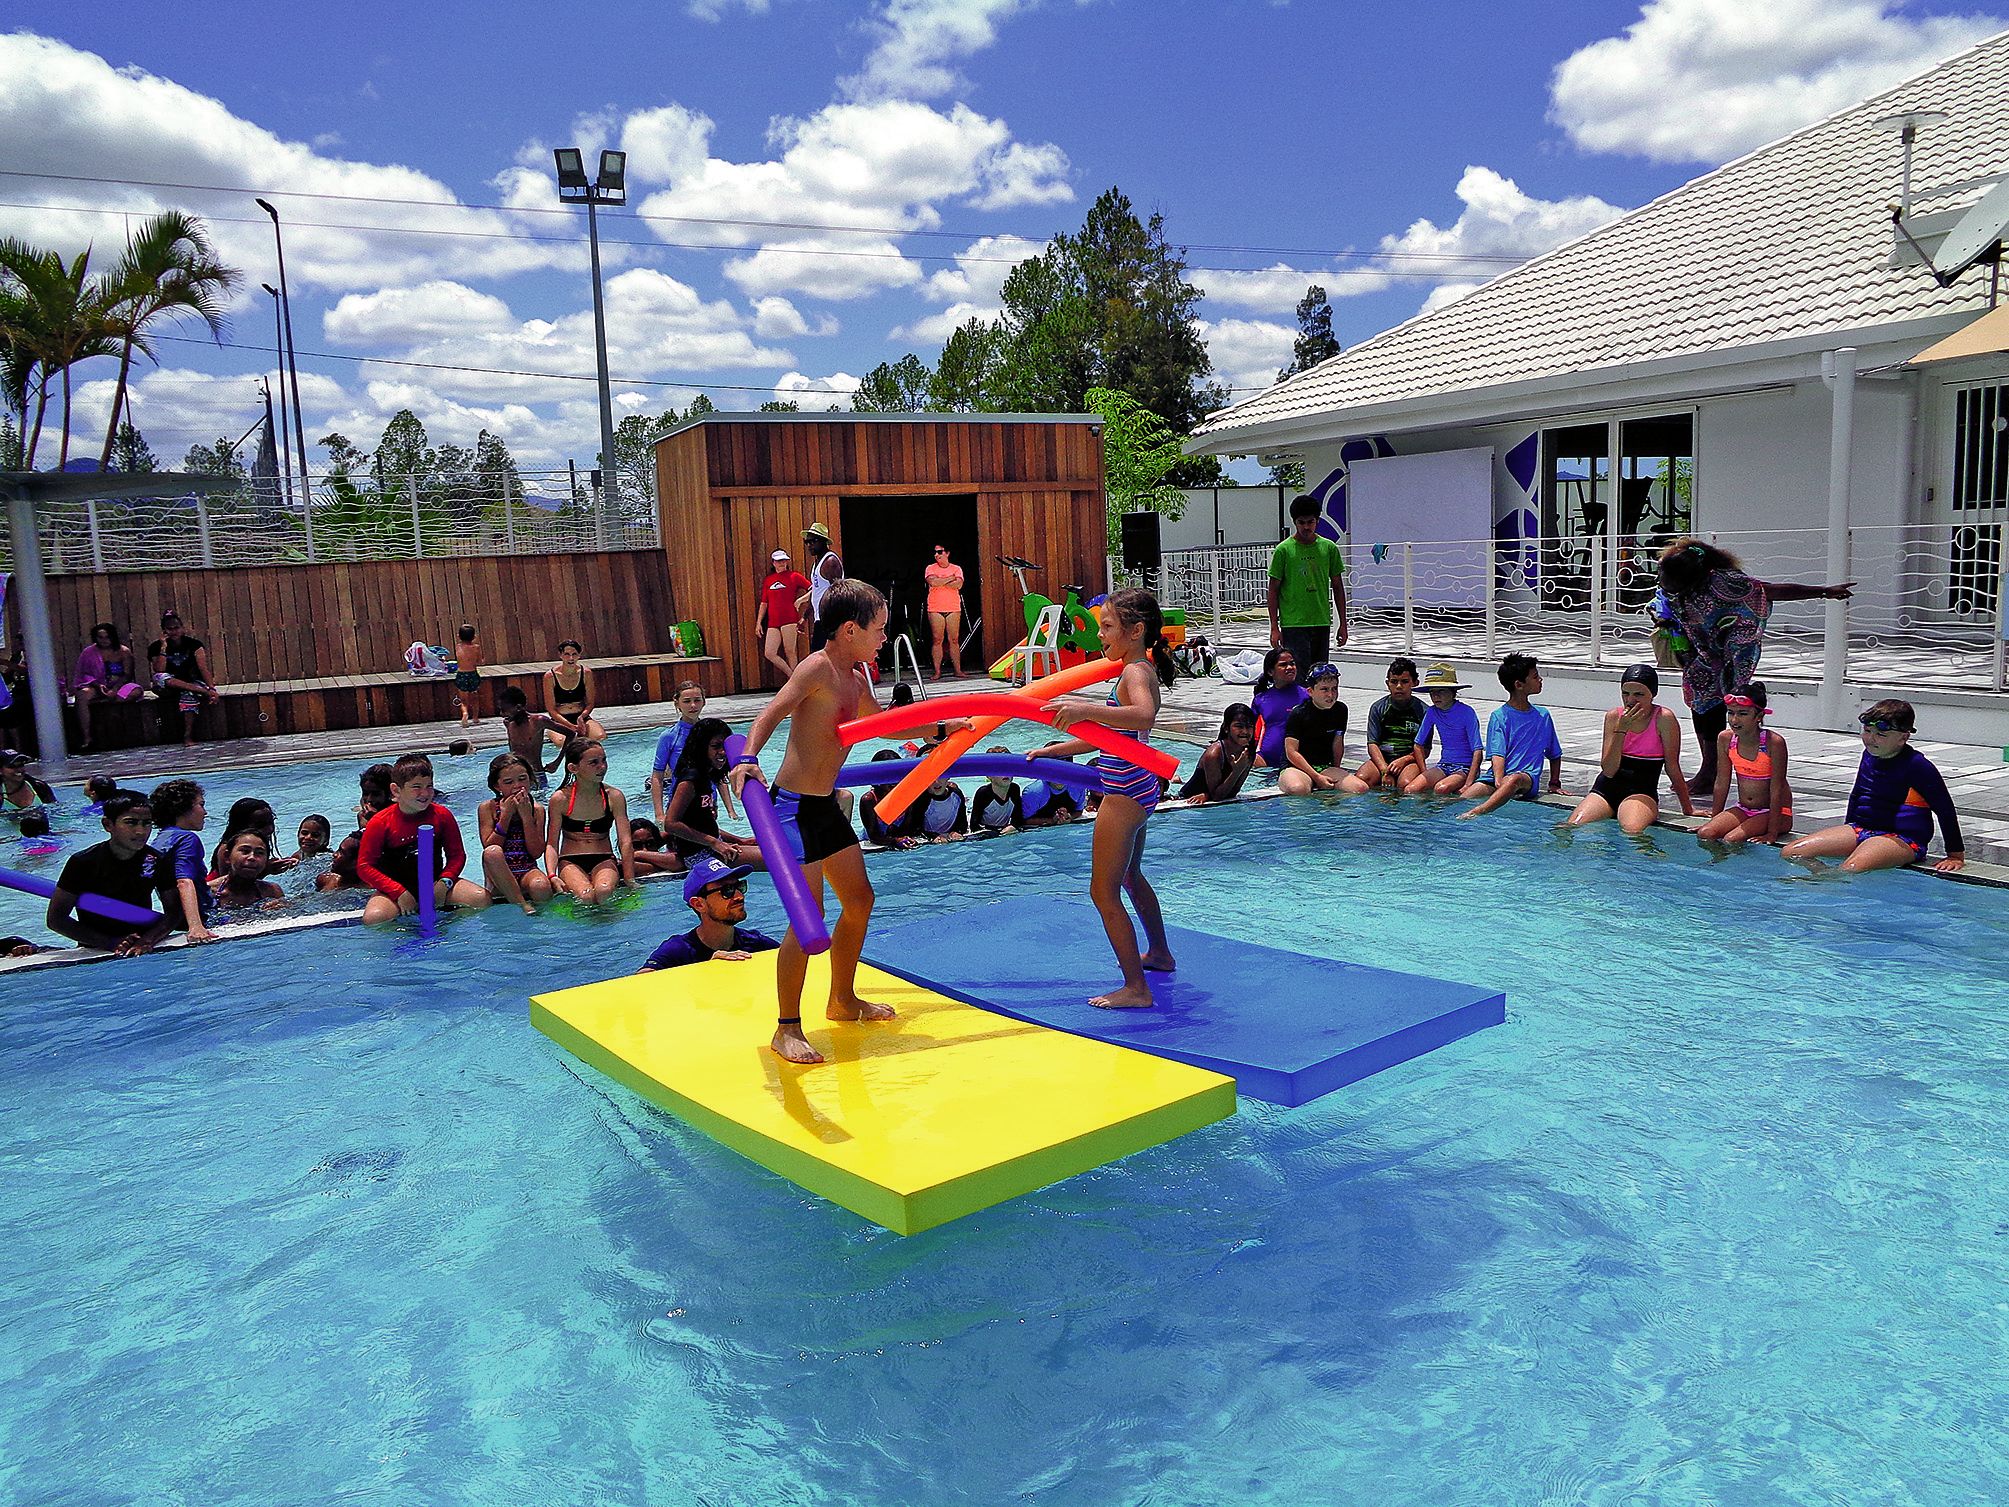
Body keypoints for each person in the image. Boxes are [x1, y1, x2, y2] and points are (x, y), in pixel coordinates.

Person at [730, 577, 896, 1064]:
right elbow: (773, 711)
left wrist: (953, 728)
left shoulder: (856, 678)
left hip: (823, 806)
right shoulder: (816, 669)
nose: (884, 637)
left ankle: (842, 1000)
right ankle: (786, 1028)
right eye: (879, 629)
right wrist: (747, 759)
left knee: (860, 900)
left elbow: (885, 724)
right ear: (850, 630)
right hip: (792, 808)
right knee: (809, 920)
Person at [1030, 588, 1178, 1009]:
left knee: (1102, 891)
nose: (1100, 636)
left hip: (1123, 795)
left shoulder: (1135, 672)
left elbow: (1143, 716)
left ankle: (1136, 988)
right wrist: (1052, 751)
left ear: (1136, 631)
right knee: (1130, 877)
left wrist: (1086, 709)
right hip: (1141, 788)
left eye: (1108, 627)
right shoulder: (1134, 668)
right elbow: (1112, 739)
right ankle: (1160, 954)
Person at [1656, 538, 1852, 797]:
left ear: (1692, 578)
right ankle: (1709, 768)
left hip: (1731, 650)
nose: (1662, 582)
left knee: (1726, 705)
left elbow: (1772, 591)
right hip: (1701, 654)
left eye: (1667, 579)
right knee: (1700, 707)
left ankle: (1721, 770)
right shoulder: (1675, 585)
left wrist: (1824, 591)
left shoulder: (1724, 582)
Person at [1782, 700, 1965, 873]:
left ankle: (1828, 886)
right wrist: (1848, 833)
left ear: (1903, 738)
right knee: (1791, 853)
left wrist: (1955, 855)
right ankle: (1823, 878)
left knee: (1851, 867)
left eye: (1881, 735)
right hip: (1862, 830)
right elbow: (1857, 794)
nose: (1871, 739)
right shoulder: (1868, 756)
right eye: (1867, 731)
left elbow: (1945, 809)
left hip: (1902, 839)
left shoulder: (1917, 765)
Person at [355, 753, 490, 923]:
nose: (425, 793)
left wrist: (444, 882)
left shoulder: (442, 815)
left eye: (429, 786)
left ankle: (448, 925)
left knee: (481, 899)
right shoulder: (380, 822)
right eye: (416, 787)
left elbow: (457, 856)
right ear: (396, 790)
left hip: (435, 883)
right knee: (375, 918)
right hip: (396, 889)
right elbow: (365, 867)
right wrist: (398, 892)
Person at [1567, 663, 1696, 835]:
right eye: (1625, 694)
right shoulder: (1614, 717)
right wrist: (1621, 730)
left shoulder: (1664, 719)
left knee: (1632, 831)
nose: (1630, 700)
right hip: (1605, 789)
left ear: (1653, 694)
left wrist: (1688, 809)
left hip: (1641, 792)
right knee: (1570, 827)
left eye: (1639, 694)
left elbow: (1672, 767)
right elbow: (1609, 770)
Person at [45, 791, 178, 955]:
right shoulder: (83, 862)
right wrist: (109, 942)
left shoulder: (157, 860)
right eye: (131, 823)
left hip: (142, 941)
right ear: (108, 825)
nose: (140, 831)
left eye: (147, 823)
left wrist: (147, 940)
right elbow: (56, 919)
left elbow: (174, 913)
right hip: (95, 948)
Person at [1462, 653, 1567, 818]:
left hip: (1526, 777)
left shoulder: (1542, 716)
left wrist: (1554, 783)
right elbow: (1497, 753)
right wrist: (1498, 780)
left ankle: (1477, 812)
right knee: (1466, 796)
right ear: (1519, 684)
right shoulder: (1499, 716)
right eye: (1535, 676)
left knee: (1513, 781)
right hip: (1496, 776)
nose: (1540, 679)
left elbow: (1554, 753)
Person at [640, 856, 782, 971]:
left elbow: (796, 963)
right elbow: (637, 986)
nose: (739, 896)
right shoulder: (678, 950)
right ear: (699, 904)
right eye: (727, 891)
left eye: (739, 886)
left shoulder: (755, 943)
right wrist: (707, 970)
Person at [1697, 683, 1794, 845]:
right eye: (1730, 713)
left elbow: (1777, 788)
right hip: (1743, 808)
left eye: (1742, 714)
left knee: (1732, 839)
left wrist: (1772, 833)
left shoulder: (1773, 743)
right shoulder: (1725, 739)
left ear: (1759, 716)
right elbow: (1721, 782)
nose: (1734, 720)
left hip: (1776, 812)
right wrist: (1715, 819)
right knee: (1706, 833)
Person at [545, 737, 634, 904]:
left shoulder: (614, 797)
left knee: (604, 891)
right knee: (585, 895)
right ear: (573, 768)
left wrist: (629, 878)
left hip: (604, 858)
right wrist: (552, 875)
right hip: (570, 860)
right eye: (594, 762)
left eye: (604, 760)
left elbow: (626, 841)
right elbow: (551, 843)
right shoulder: (561, 799)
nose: (602, 767)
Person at [666, 717, 764, 868]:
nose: (723, 752)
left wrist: (740, 840)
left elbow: (703, 824)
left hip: (713, 847)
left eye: (725, 746)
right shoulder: (690, 780)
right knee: (776, 860)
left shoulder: (706, 775)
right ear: (701, 748)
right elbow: (671, 824)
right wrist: (715, 843)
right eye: (716, 746)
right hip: (700, 856)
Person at [1267, 494, 1349, 667]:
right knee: (1298, 674)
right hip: (1293, 624)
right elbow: (1273, 590)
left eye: (1310, 522)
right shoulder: (1283, 550)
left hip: (1321, 621)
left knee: (1319, 676)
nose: (1306, 527)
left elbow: (1338, 587)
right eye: (1301, 522)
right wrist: (1274, 627)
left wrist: (1343, 623)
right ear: (1295, 522)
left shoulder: (1329, 548)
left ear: (1317, 521)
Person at [478, 752, 554, 913]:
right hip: (499, 874)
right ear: (497, 786)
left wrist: (526, 817)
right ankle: (522, 904)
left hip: (527, 869)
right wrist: (505, 816)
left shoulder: (537, 810)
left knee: (541, 886)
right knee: (492, 852)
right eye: (508, 782)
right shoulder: (488, 808)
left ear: (530, 779)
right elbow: (489, 846)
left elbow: (535, 852)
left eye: (522, 779)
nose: (517, 786)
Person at [1277, 662, 1365, 796]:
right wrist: (1317, 777)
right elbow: (1291, 752)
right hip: (1295, 767)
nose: (1331, 695)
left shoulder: (1340, 710)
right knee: (1298, 789)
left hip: (1324, 766)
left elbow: (1337, 742)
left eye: (1334, 689)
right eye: (1324, 689)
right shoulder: (1298, 713)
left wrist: (1336, 769)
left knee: (1360, 788)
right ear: (1310, 691)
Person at [148, 778, 216, 945]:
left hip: (175, 919)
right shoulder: (187, 839)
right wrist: (196, 926)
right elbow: (184, 881)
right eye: (201, 805)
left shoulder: (161, 840)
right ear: (183, 808)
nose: (205, 812)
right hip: (205, 917)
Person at [1406, 663, 1484, 795]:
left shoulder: (1467, 712)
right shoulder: (1432, 712)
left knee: (1441, 788)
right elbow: (1418, 744)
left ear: (1452, 692)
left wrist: (1468, 784)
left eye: (1441, 690)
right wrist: (1424, 772)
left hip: (1464, 767)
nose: (1435, 696)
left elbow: (1477, 750)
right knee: (1410, 789)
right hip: (1443, 765)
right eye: (1432, 692)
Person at [146, 610, 220, 747]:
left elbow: (203, 668)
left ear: (182, 629)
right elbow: (159, 669)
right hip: (169, 685)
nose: (174, 632)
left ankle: (187, 736)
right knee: (159, 677)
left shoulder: (194, 645)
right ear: (164, 631)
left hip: (192, 681)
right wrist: (163, 647)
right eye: (170, 629)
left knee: (188, 696)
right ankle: (199, 691)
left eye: (176, 628)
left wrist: (211, 688)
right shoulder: (155, 647)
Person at [318, 764, 394, 893]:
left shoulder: (398, 815)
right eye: (365, 793)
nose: (369, 799)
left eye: (375, 794)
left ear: (391, 794)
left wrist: (377, 821)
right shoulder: (362, 816)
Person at [1357, 656, 1427, 792]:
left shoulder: (1423, 711)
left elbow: (1426, 749)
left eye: (1404, 682)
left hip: (1409, 760)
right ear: (1387, 683)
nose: (1399, 686)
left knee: (1405, 785)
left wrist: (1403, 760)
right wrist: (1384, 770)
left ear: (1415, 683)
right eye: (1394, 682)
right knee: (1361, 781)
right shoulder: (1378, 708)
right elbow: (1372, 744)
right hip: (1383, 759)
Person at [73, 622, 144, 751]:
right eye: (101, 637)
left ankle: (106, 700)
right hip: (97, 685)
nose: (104, 641)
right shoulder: (88, 652)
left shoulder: (124, 652)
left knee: (136, 691)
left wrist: (114, 689)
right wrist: (98, 685)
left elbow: (127, 675)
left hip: (119, 686)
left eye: (107, 637)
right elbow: (83, 675)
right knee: (82, 695)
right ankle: (87, 737)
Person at [649, 681, 709, 827]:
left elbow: (718, 773)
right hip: (680, 803)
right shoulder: (669, 736)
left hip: (708, 801)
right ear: (677, 704)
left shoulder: (710, 733)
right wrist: (659, 814)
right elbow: (657, 776)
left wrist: (730, 809)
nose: (693, 706)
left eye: (697, 700)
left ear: (704, 702)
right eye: (687, 701)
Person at [1176, 704, 1257, 804]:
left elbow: (1233, 793)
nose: (1245, 731)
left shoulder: (1248, 752)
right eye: (1239, 726)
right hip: (1188, 799)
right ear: (1226, 728)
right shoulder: (1214, 754)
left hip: (1212, 800)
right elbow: (1217, 797)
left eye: (1249, 726)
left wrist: (1208, 795)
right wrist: (1237, 771)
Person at [756, 550, 813, 679]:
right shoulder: (768, 580)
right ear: (773, 563)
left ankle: (795, 683)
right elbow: (764, 603)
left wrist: (801, 600)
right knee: (769, 652)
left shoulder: (794, 576)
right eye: (779, 561)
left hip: (789, 619)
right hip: (773, 622)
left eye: (784, 560)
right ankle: (793, 677)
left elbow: (814, 589)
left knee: (790, 651)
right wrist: (759, 622)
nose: (782, 563)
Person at [208, 798, 297, 877]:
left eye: (271, 822)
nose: (269, 829)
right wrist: (265, 870)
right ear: (241, 825)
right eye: (260, 825)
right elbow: (229, 886)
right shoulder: (226, 849)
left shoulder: (258, 844)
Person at [1250, 648, 1307, 769]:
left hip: (1297, 762)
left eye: (1292, 663)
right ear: (1270, 672)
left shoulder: (1307, 696)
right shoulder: (1261, 699)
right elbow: (1249, 729)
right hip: (1265, 760)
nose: (1290, 667)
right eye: (1283, 665)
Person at [859, 749, 924, 849]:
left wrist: (903, 839)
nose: (893, 779)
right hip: (871, 846)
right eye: (887, 774)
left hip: (898, 843)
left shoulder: (908, 796)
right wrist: (896, 840)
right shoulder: (869, 800)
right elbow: (873, 835)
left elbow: (908, 828)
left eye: (896, 774)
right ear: (877, 776)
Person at [543, 641, 605, 744]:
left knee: (600, 737)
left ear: (579, 656)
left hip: (581, 717)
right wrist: (570, 726)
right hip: (559, 720)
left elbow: (590, 703)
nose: (571, 658)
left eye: (574, 654)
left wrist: (582, 717)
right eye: (567, 654)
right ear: (561, 655)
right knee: (562, 742)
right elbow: (551, 709)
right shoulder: (550, 676)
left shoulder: (586, 673)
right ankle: (552, 732)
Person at [208, 830, 286, 912]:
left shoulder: (272, 892)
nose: (252, 857)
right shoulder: (207, 891)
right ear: (227, 857)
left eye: (259, 853)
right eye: (245, 851)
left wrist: (283, 908)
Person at [497, 686, 563, 779]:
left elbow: (571, 734)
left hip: (537, 774)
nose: (501, 714)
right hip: (517, 776)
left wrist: (557, 761)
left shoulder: (538, 721)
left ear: (518, 707)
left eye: (504, 710)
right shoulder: (508, 723)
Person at [924, 543, 966, 678]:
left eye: (940, 552)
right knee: (937, 639)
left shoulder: (957, 568)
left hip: (953, 607)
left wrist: (941, 580)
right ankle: (937, 671)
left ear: (947, 553)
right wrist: (950, 578)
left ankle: (958, 670)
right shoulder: (930, 568)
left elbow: (959, 584)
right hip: (936, 607)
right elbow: (933, 582)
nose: (937, 555)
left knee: (954, 639)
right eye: (935, 552)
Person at [801, 522, 844, 645]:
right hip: (820, 619)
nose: (809, 545)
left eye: (813, 541)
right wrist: (805, 617)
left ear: (823, 541)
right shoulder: (817, 563)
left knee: (822, 659)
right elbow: (816, 593)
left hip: (829, 620)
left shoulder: (830, 562)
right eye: (807, 542)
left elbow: (840, 591)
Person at [0, 749, 55, 837]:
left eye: (21, 765)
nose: (19, 770)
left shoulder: (39, 787)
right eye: (12, 766)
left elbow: (57, 813)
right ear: (0, 770)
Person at [971, 746, 1026, 832]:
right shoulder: (983, 794)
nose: (1005, 772)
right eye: (999, 768)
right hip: (986, 830)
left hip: (1003, 828)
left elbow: (1018, 818)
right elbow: (974, 825)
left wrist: (1013, 826)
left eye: (1008, 767)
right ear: (989, 775)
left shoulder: (1014, 789)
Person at [1021, 756, 1084, 827]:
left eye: (1064, 771)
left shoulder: (1078, 786)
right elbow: (1025, 820)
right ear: (1045, 771)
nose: (1059, 776)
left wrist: (1069, 816)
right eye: (1054, 771)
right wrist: (1051, 820)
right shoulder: (1034, 792)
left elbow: (1079, 811)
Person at [914, 771, 969, 841]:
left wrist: (957, 832)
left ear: (948, 777)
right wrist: (933, 836)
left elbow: (962, 823)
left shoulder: (956, 794)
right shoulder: (921, 799)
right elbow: (915, 829)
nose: (936, 782)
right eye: (932, 778)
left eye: (940, 777)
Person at [452, 623, 484, 729]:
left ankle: (465, 714)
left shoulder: (458, 647)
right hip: (472, 674)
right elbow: (479, 661)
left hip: (461, 674)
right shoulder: (476, 648)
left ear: (459, 636)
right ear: (474, 637)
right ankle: (475, 718)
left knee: (464, 700)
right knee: (475, 698)